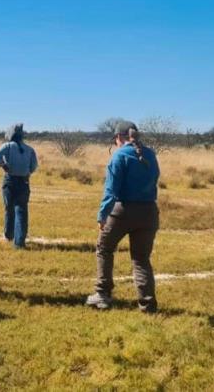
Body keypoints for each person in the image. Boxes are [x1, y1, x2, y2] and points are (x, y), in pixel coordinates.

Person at [86, 121, 160, 313]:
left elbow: (110, 191)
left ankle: (103, 294)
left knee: (104, 248)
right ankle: (147, 303)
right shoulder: (151, 154)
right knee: (141, 258)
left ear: (118, 138)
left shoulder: (119, 156)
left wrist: (102, 216)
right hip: (149, 211)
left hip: (123, 210)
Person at [0, 124, 38, 248]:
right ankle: (19, 242)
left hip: (10, 180)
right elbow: (34, 166)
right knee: (22, 211)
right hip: (24, 182)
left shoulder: (7, 146)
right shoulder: (29, 149)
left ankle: (8, 235)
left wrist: (3, 165)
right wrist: (27, 172)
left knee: (9, 208)